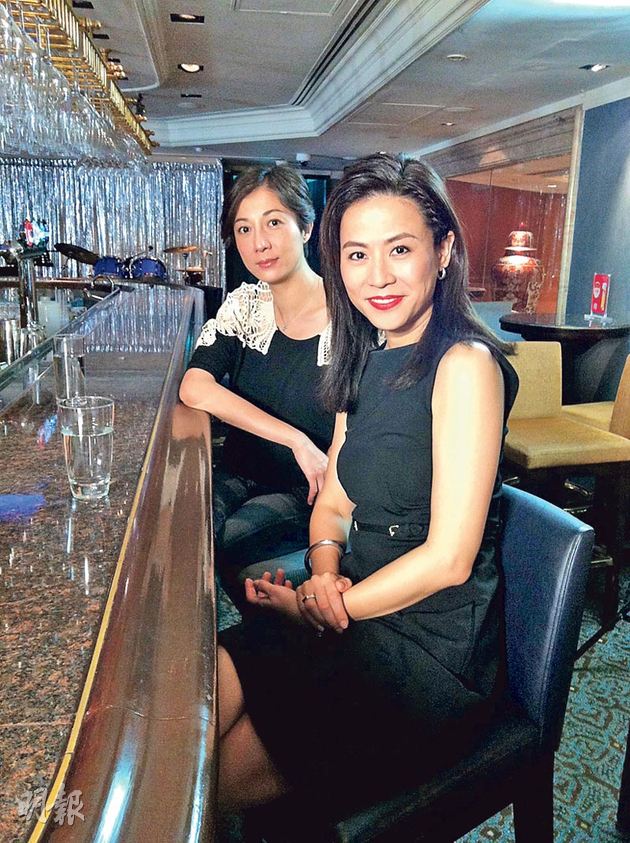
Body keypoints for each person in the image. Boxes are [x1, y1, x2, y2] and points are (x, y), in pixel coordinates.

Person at [216, 153, 519, 822]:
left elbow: (450, 559)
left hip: (428, 655)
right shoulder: (362, 359)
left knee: (215, 781)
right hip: (354, 610)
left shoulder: (466, 364)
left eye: (399, 249)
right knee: (194, 709)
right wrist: (323, 571)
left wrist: (326, 607)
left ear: (443, 251)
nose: (377, 275)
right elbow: (333, 501)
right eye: (357, 254)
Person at [179, 164, 333, 602]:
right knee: (179, 531)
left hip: (302, 492)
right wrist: (295, 439)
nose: (258, 242)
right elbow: (194, 386)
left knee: (217, 545)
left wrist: (306, 453)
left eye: (274, 223)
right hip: (238, 473)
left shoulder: (347, 316)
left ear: (306, 227)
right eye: (244, 228)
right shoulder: (246, 305)